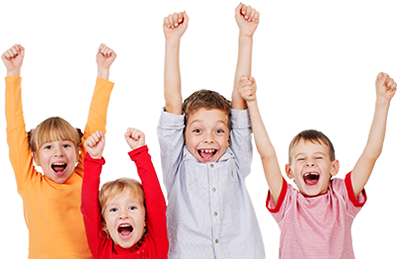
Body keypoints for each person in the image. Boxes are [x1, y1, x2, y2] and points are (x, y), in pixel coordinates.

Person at [238, 73, 397, 258]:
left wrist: (383, 103)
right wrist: (252, 103)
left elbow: (370, 155)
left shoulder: (342, 197)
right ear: (289, 171)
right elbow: (267, 156)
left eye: (318, 158)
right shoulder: (288, 202)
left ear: (334, 168)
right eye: (301, 159)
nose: (310, 162)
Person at [159, 4, 266, 258]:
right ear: (183, 135)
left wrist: (246, 37)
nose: (208, 138)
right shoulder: (177, 164)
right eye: (197, 130)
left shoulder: (235, 157)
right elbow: (174, 104)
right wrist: (172, 42)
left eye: (218, 131)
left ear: (229, 135)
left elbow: (239, 101)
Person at [3, 43, 116, 258]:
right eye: (48, 147)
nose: (58, 153)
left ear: (77, 152)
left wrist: (103, 71)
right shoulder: (30, 181)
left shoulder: (83, 176)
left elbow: (95, 129)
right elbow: (15, 130)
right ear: (35, 156)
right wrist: (13, 73)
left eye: (66, 145)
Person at [81, 129, 168, 259]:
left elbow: (156, 203)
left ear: (145, 219)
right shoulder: (102, 250)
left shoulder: (155, 248)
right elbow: (89, 209)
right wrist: (93, 159)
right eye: (114, 209)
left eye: (132, 207)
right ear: (105, 224)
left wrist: (140, 153)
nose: (123, 215)